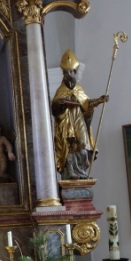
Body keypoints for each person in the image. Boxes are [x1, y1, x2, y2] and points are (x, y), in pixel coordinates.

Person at [51, 49, 107, 179]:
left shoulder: (79, 88)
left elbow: (87, 103)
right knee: (70, 149)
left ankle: (82, 170)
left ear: (75, 72)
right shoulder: (61, 90)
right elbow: (54, 108)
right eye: (66, 72)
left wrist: (100, 100)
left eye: (71, 72)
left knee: (83, 145)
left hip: (79, 120)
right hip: (66, 122)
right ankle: (70, 173)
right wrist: (62, 102)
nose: (69, 74)